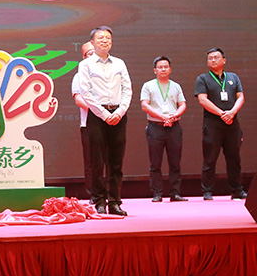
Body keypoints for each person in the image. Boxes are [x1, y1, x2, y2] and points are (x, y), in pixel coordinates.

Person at [78, 26, 131, 216]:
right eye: (100, 38)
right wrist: (104, 114)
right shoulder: (85, 65)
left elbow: (127, 90)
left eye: (108, 38)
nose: (105, 41)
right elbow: (86, 93)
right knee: (97, 162)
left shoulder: (119, 63)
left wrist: (120, 111)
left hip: (118, 115)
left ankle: (115, 202)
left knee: (116, 161)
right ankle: (99, 201)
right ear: (92, 42)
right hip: (97, 116)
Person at [195, 48, 246, 201]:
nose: (213, 60)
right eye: (210, 58)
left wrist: (232, 112)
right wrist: (222, 113)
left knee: (234, 158)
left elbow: (241, 97)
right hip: (212, 124)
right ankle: (207, 191)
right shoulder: (203, 78)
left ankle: (237, 190)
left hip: (232, 123)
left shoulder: (233, 77)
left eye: (216, 57)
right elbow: (202, 100)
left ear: (224, 60)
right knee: (210, 159)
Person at [140, 56, 187, 202]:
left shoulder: (176, 86)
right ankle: (157, 193)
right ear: (155, 70)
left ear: (170, 69)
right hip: (155, 127)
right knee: (155, 163)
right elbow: (145, 105)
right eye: (160, 67)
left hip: (174, 127)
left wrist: (173, 116)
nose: (163, 69)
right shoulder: (148, 85)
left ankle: (175, 193)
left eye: (166, 67)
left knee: (175, 162)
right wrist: (162, 116)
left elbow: (183, 105)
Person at [70, 41, 96, 203]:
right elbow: (79, 100)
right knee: (91, 161)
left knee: (109, 160)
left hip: (110, 122)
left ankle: (112, 194)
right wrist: (99, 111)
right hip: (89, 123)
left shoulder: (109, 73)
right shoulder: (79, 76)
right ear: (83, 57)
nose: (93, 55)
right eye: (89, 53)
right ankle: (94, 194)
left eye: (95, 52)